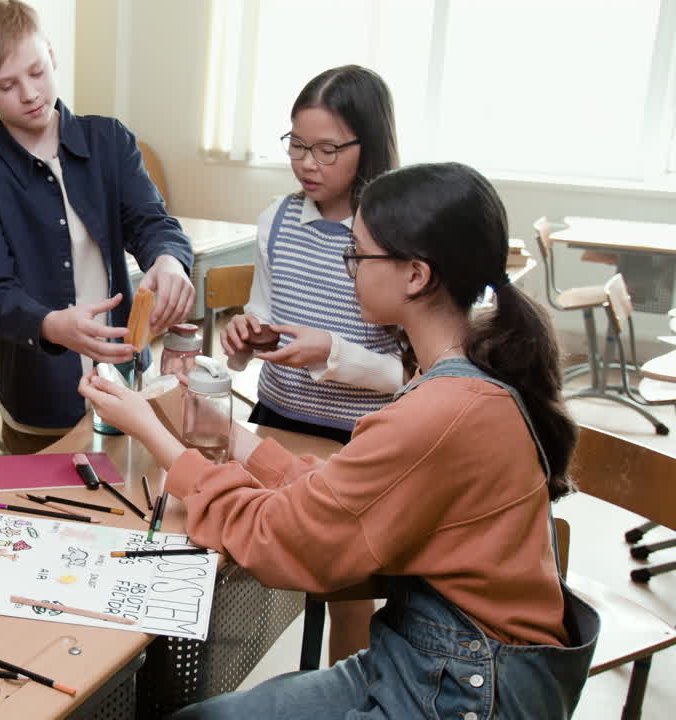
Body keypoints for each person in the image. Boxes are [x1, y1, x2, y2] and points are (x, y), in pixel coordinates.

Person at [83, 163, 599, 719]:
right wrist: (231, 437)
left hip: (468, 688)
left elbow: (283, 537)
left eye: (357, 254)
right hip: (430, 660)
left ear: (416, 275)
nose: (346, 266)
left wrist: (155, 433)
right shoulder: (460, 379)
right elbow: (343, 500)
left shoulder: (443, 410)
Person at [0, 0, 195, 454]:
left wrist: (168, 259)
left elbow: (152, 222)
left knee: (130, 498)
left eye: (37, 71)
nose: (29, 93)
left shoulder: (111, 142)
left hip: (126, 383)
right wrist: (48, 324)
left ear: (52, 53)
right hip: (40, 401)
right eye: (7, 85)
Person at [219, 64, 402, 663]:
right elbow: (264, 319)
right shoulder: (277, 219)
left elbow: (414, 375)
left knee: (350, 593)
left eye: (327, 149)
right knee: (237, 550)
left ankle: (348, 694)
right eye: (297, 145)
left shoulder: (392, 233)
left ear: (366, 146)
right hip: (278, 419)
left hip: (360, 439)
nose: (308, 164)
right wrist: (246, 337)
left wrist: (333, 354)